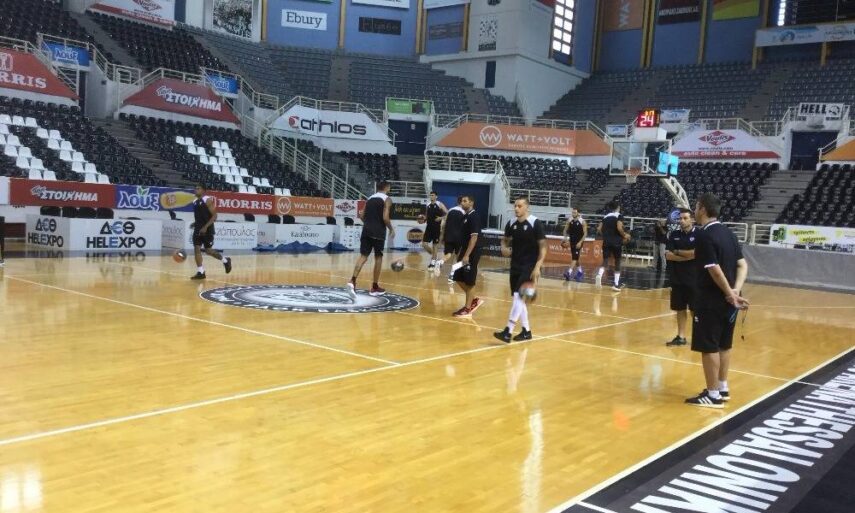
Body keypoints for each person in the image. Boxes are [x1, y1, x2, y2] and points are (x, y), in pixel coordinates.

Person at [685, 193, 749, 409]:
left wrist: (729, 293)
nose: (694, 211)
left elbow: (714, 268)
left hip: (711, 299)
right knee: (724, 344)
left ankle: (713, 395)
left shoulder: (704, 235)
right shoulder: (729, 234)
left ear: (703, 209)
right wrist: (735, 290)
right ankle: (722, 387)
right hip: (729, 302)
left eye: (696, 207)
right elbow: (743, 265)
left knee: (709, 346)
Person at [494, 198, 547, 342]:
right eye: (515, 206)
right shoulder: (511, 223)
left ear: (526, 207)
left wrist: (538, 267)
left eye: (519, 206)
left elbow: (543, 247)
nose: (516, 208)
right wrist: (503, 248)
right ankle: (526, 331)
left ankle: (508, 331)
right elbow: (505, 240)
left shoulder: (535, 223)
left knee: (519, 297)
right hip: (515, 264)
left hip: (530, 266)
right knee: (518, 298)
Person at [348, 181, 394, 298]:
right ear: (387, 187)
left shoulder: (369, 198)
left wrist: (368, 224)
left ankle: (352, 281)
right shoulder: (387, 199)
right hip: (378, 232)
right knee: (378, 257)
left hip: (366, 230)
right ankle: (374, 287)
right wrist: (391, 229)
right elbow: (385, 218)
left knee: (363, 256)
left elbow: (361, 216)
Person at [665, 208, 697, 346]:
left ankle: (698, 336)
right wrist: (687, 256)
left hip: (694, 279)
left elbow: (696, 254)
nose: (682, 221)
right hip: (677, 279)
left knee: (695, 309)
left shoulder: (699, 235)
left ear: (692, 219)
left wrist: (677, 252)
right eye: (680, 218)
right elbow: (668, 255)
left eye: (685, 218)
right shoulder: (674, 234)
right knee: (680, 308)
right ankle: (681, 336)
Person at [451, 195, 485, 317]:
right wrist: (460, 253)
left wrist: (467, 255)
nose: (462, 202)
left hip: (472, 252)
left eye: (465, 201)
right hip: (464, 251)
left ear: (471, 203)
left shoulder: (474, 216)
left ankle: (467, 309)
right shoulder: (465, 216)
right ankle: (474, 299)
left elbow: (474, 238)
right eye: (461, 201)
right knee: (457, 276)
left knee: (469, 281)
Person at [190, 185, 232, 280]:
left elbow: (214, 216)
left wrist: (205, 227)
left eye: (198, 188)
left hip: (207, 229)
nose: (196, 190)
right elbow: (200, 217)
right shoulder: (194, 201)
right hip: (198, 229)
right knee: (197, 249)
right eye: (195, 188)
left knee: (208, 251)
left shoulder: (207, 200)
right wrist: (195, 223)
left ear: (203, 190)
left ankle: (226, 261)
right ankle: (201, 272)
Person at [595, 201, 630, 292]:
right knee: (617, 262)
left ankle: (599, 274)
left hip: (606, 241)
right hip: (616, 241)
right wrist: (625, 235)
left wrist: (606, 236)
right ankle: (616, 284)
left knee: (605, 260)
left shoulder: (605, 216)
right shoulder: (619, 215)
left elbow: (599, 229)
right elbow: (619, 228)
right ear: (618, 207)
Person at [437, 196, 465, 281]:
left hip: (448, 235)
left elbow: (443, 224)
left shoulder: (450, 210)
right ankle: (452, 275)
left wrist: (442, 236)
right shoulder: (464, 212)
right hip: (459, 237)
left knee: (448, 254)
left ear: (457, 202)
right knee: (458, 256)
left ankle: (440, 262)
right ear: (462, 202)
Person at [421, 191, 447, 272]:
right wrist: (423, 219)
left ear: (436, 196)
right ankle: (434, 256)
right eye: (430, 195)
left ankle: (433, 262)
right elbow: (426, 216)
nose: (431, 196)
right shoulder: (428, 204)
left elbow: (448, 213)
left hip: (437, 228)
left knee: (435, 246)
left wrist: (441, 218)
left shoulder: (439, 204)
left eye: (433, 195)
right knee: (424, 244)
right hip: (428, 227)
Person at [562, 208, 587, 282]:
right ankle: (580, 272)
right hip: (572, 241)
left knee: (574, 258)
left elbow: (585, 234)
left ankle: (568, 273)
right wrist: (565, 239)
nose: (573, 214)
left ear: (578, 213)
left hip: (579, 242)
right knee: (576, 258)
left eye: (575, 212)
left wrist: (580, 242)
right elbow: (564, 230)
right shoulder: (569, 220)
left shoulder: (582, 221)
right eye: (572, 212)